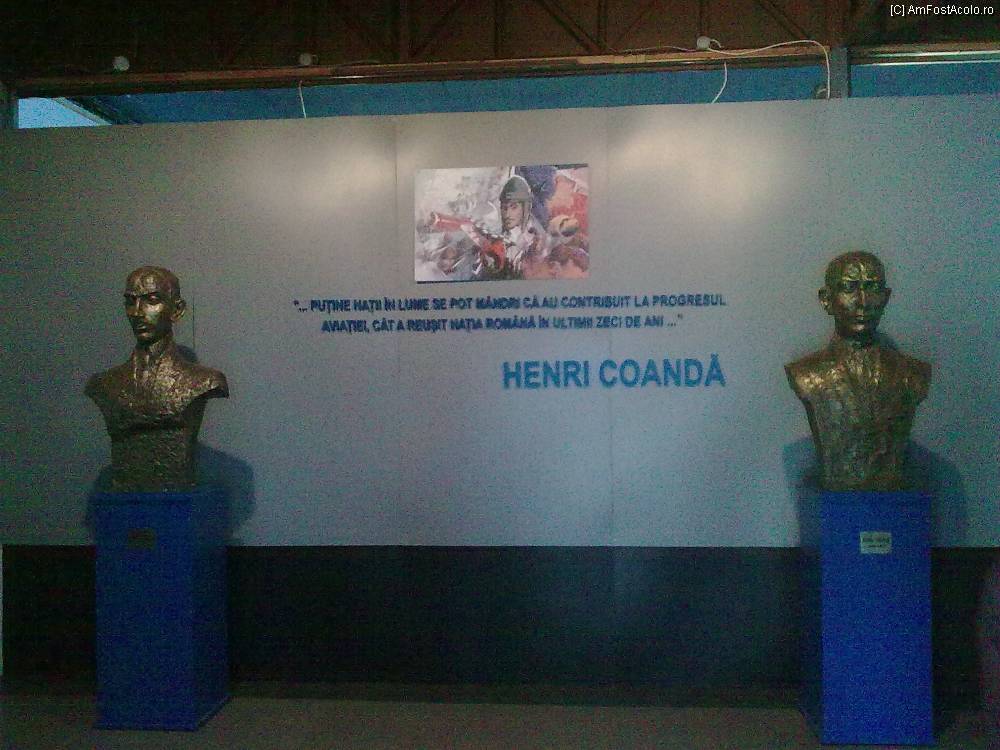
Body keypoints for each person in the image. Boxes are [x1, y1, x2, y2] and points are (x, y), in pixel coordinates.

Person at [785, 251, 930, 491]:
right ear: (826, 300)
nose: (863, 301)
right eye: (849, 288)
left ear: (886, 297)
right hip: (837, 492)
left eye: (872, 288)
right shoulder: (806, 375)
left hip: (892, 496)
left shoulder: (912, 374)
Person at [85, 266, 228, 491]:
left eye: (151, 300)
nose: (137, 312)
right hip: (125, 493)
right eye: (131, 301)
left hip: (177, 493)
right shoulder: (104, 384)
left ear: (177, 310)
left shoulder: (204, 382)